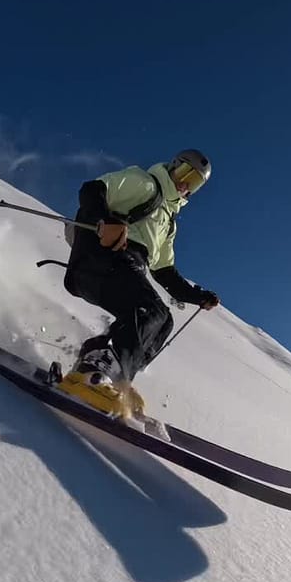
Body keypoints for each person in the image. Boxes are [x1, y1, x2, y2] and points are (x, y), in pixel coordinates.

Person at [58, 148, 219, 417]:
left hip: (127, 268)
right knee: (149, 310)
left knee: (163, 321)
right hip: (100, 260)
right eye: (184, 172)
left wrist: (197, 296)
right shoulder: (145, 183)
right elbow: (92, 190)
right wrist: (107, 220)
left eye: (194, 182)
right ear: (173, 166)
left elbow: (164, 271)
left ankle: (112, 371)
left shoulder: (168, 223)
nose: (184, 183)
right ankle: (95, 371)